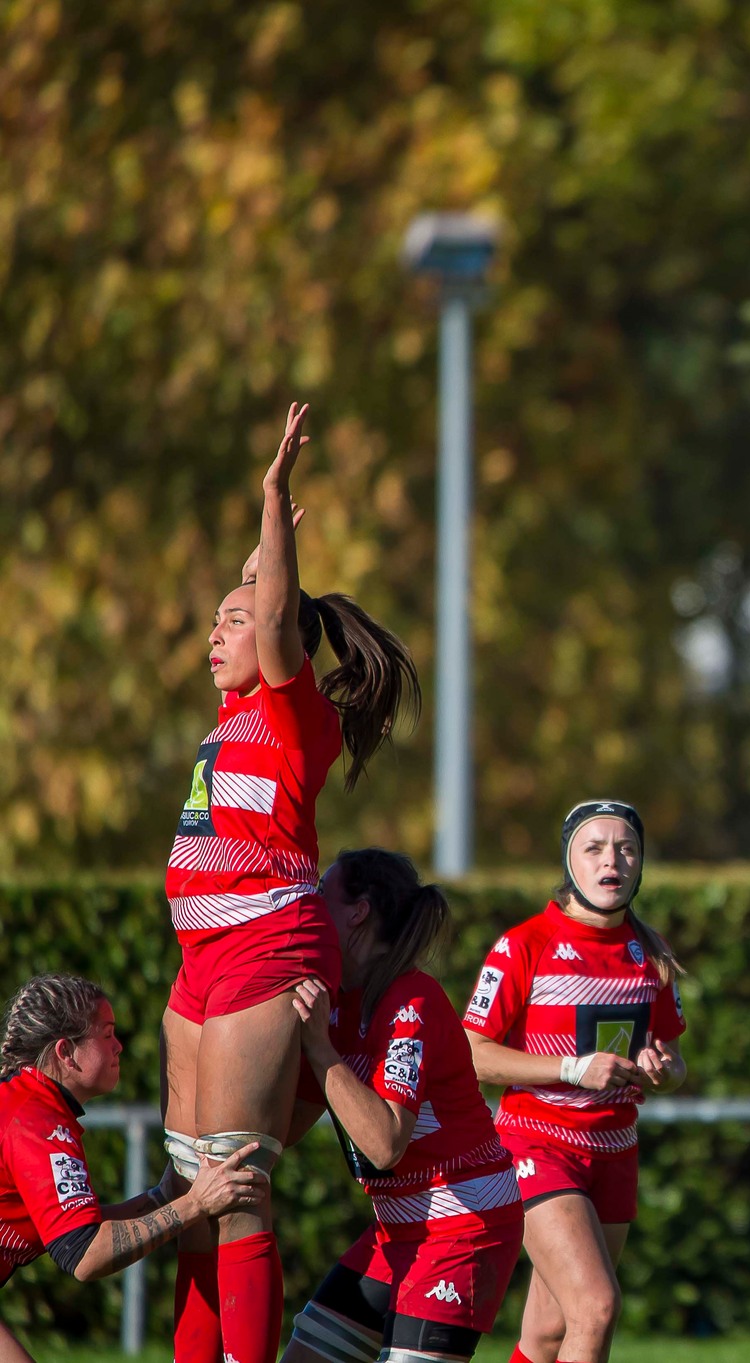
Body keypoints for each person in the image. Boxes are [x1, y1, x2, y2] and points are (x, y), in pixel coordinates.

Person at [162, 402, 421, 1363]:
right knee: (194, 1197)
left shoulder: (288, 708)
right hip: (203, 958)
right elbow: (263, 598)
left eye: (234, 621)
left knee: (235, 1184)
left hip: (266, 945)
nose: (216, 634)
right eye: (217, 620)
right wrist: (259, 558)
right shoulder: (235, 720)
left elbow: (274, 613)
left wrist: (274, 498)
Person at [463, 802, 686, 1363]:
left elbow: (676, 1060)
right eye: (595, 848)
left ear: (640, 864)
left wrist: (664, 1069)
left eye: (627, 848)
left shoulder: (651, 951)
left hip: (615, 1149)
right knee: (597, 1306)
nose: (613, 860)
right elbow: (471, 1055)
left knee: (547, 1334)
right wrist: (570, 1069)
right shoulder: (525, 944)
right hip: (537, 1144)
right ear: (570, 861)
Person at [281, 849, 522, 1363]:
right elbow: (290, 1126)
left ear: (358, 912)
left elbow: (386, 1144)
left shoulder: (412, 1001)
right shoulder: (337, 998)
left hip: (464, 1225)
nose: (305, 905)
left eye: (321, 893)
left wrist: (319, 1048)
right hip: (397, 1225)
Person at [0, 975, 265, 1361]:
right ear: (65, 1052)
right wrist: (196, 1205)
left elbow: (75, 1232)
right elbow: (85, 1255)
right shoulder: (35, 1121)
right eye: (106, 1035)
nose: (119, 1046)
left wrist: (163, 1197)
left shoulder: (26, 1103)